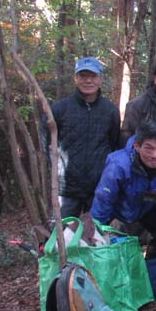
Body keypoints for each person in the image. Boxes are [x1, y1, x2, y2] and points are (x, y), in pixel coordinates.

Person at [90, 121, 156, 257]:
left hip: (147, 206)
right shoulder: (118, 164)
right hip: (118, 207)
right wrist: (95, 229)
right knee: (98, 240)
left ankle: (154, 267)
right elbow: (104, 198)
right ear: (137, 146)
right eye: (149, 149)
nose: (155, 155)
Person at [50, 56, 121, 219]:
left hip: (99, 186)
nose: (88, 80)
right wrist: (58, 169)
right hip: (66, 187)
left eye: (93, 76)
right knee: (62, 231)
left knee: (97, 232)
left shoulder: (110, 110)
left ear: (100, 79)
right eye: (83, 76)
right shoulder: (60, 109)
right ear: (75, 78)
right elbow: (48, 142)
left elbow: (114, 144)